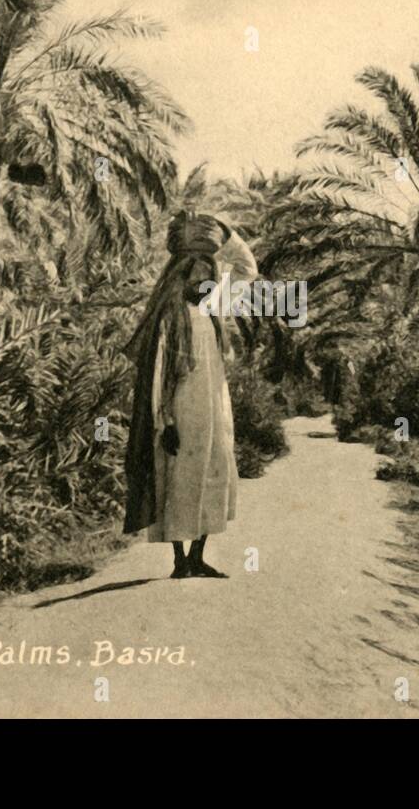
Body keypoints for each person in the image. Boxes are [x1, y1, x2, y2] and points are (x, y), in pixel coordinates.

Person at [123, 211, 257, 578]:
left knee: (214, 476)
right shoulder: (169, 318)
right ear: (181, 276)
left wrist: (227, 234)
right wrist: (164, 421)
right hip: (181, 413)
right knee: (179, 481)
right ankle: (179, 561)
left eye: (208, 275)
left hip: (214, 409)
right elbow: (157, 377)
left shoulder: (214, 309)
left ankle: (198, 557)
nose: (204, 281)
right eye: (196, 275)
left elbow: (247, 269)